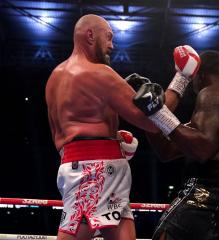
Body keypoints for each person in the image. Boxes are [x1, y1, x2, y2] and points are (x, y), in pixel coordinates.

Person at [45, 14, 162, 240]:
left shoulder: (54, 78)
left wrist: (112, 139)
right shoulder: (100, 73)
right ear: (90, 35)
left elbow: (64, 137)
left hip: (77, 165)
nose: (112, 45)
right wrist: (181, 79)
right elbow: (152, 124)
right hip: (96, 170)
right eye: (108, 37)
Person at [133, 47, 219, 239]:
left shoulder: (215, 92)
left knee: (165, 235)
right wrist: (151, 116)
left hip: (211, 186)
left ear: (199, 74)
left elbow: (201, 149)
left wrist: (159, 113)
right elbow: (167, 151)